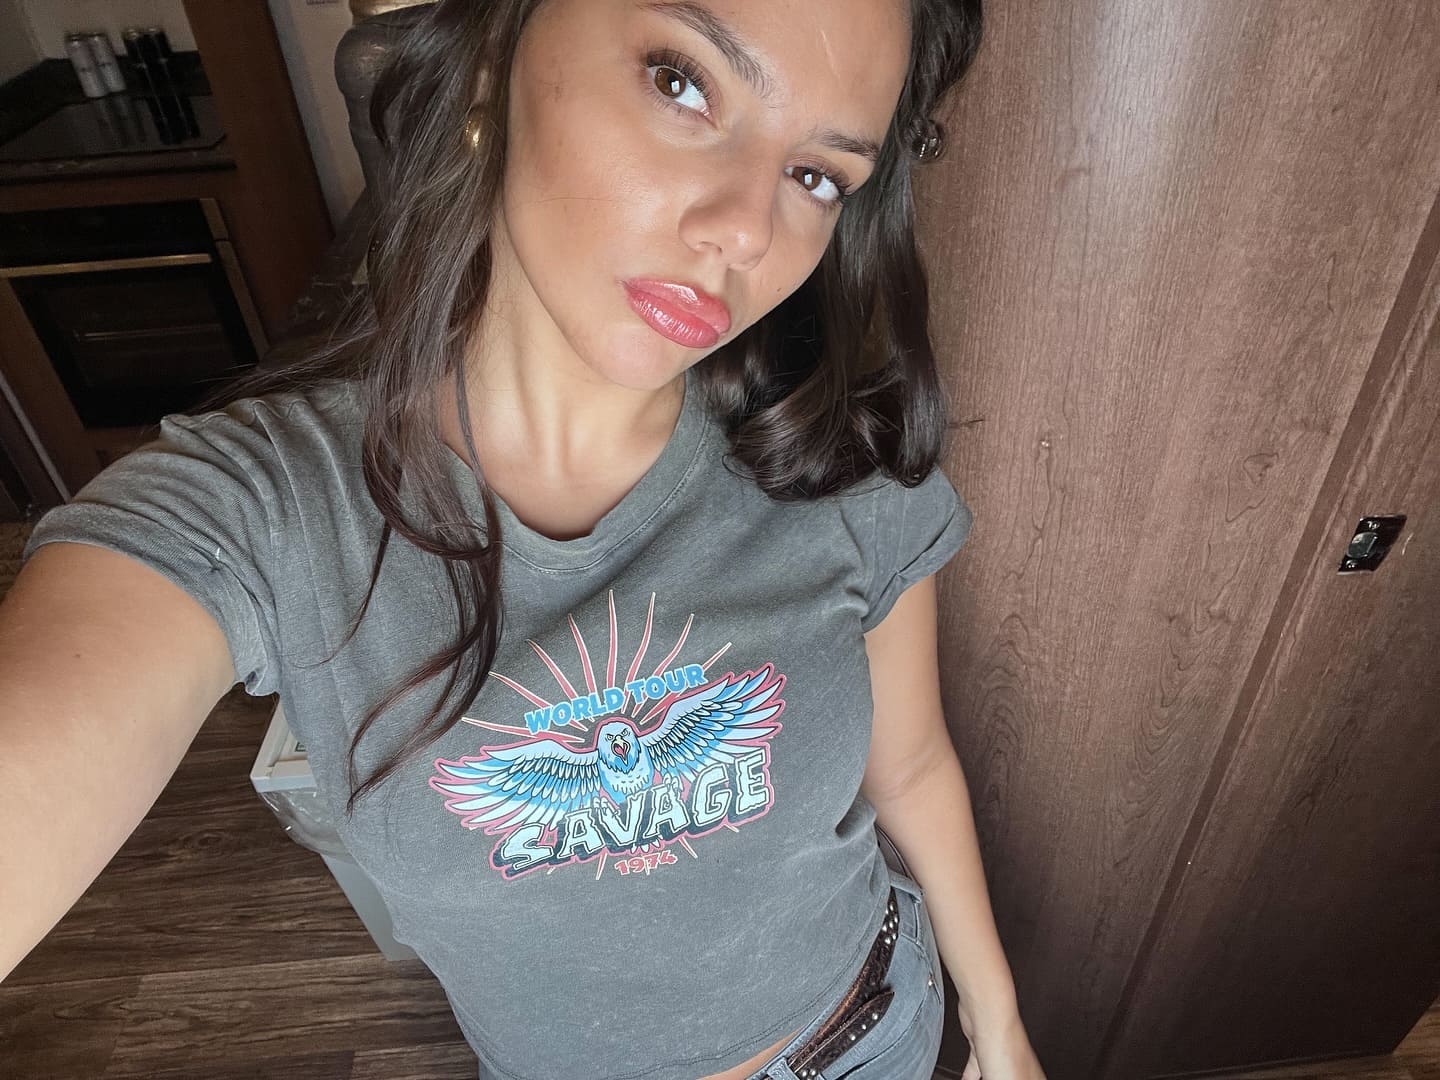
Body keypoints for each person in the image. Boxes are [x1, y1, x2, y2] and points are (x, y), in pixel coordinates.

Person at [0, 0, 1046, 1077]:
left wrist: (999, 1021)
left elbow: (911, 763)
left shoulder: (831, 457)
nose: (746, 228)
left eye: (817, 174)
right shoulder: (265, 506)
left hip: (867, 1035)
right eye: (683, 82)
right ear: (494, 59)